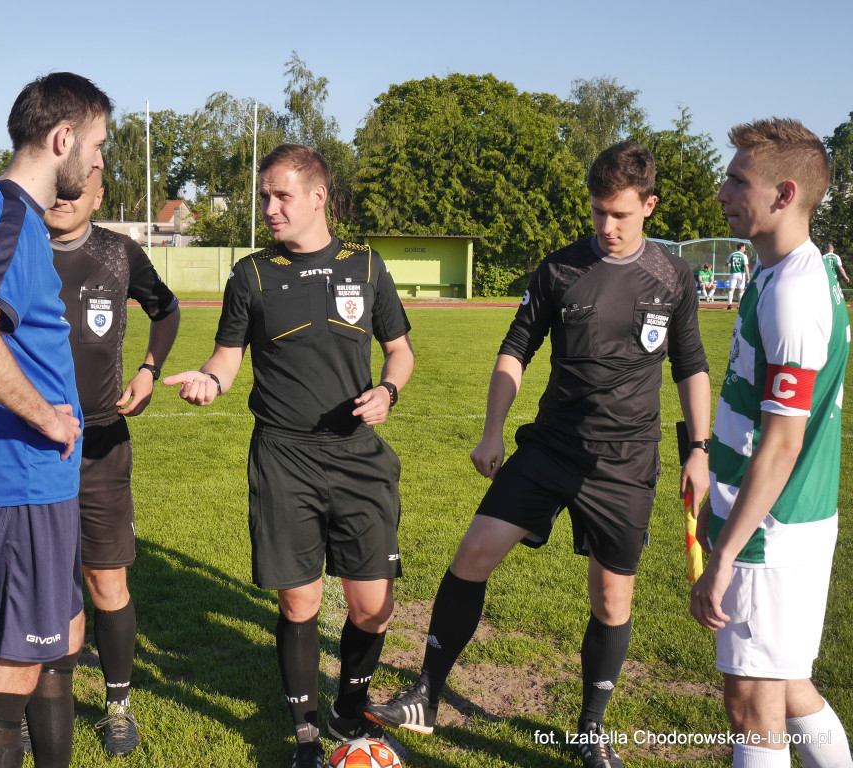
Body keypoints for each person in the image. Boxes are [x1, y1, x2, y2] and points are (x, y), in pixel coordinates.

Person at [363, 142, 711, 768]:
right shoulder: (559, 269)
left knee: (611, 602)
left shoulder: (673, 276)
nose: (606, 226)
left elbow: (691, 366)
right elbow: (515, 349)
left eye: (620, 215)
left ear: (649, 207)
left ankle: (589, 729)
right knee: (472, 554)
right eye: (598, 213)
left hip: (626, 464)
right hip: (549, 449)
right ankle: (426, 696)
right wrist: (493, 430)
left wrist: (700, 449)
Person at [166, 144, 415, 768]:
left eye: (281, 196)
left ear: (317, 196)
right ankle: (306, 732)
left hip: (359, 457)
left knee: (372, 607)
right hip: (284, 457)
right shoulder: (251, 275)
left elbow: (401, 351)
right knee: (300, 602)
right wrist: (211, 381)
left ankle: (348, 710)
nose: (269, 208)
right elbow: (227, 356)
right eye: (265, 196)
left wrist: (387, 390)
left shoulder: (366, 267)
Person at [0, 72, 111, 768]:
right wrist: (46, 418)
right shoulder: (6, 213)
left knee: (63, 638)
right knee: (11, 670)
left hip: (40, 481)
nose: (101, 160)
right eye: (98, 144)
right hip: (14, 479)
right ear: (62, 137)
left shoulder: (3, 207)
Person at [691, 118, 853, 768]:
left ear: (784, 194)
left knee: (751, 708)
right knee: (784, 685)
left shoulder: (792, 294)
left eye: (738, 180)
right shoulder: (776, 272)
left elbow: (782, 445)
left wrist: (728, 551)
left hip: (771, 533)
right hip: (772, 522)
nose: (723, 190)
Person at [45, 170, 180, 756]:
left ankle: (118, 703)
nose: (63, 198)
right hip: (29, 446)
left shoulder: (119, 253)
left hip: (100, 443)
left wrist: (149, 368)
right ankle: (46, 701)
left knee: (106, 579)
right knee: (46, 586)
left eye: (77, 192)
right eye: (57, 187)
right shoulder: (16, 246)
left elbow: (166, 310)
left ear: (98, 198)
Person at [726, 243, 751, 309]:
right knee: (741, 290)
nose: (745, 249)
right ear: (741, 248)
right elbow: (746, 266)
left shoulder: (732, 254)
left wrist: (730, 265)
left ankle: (729, 304)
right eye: (745, 248)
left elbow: (727, 263)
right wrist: (748, 276)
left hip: (733, 273)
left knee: (731, 289)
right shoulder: (744, 256)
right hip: (741, 274)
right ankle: (739, 305)